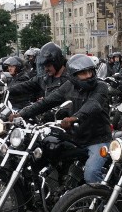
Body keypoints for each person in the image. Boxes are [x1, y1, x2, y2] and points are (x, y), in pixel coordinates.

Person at [12, 53, 110, 185]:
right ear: (73, 76)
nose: (87, 76)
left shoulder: (101, 86)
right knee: (45, 152)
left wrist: (74, 118)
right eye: (83, 73)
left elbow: (93, 104)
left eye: (90, 72)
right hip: (74, 138)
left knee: (91, 174)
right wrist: (22, 114)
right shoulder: (69, 86)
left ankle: (105, 200)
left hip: (97, 140)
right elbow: (47, 102)